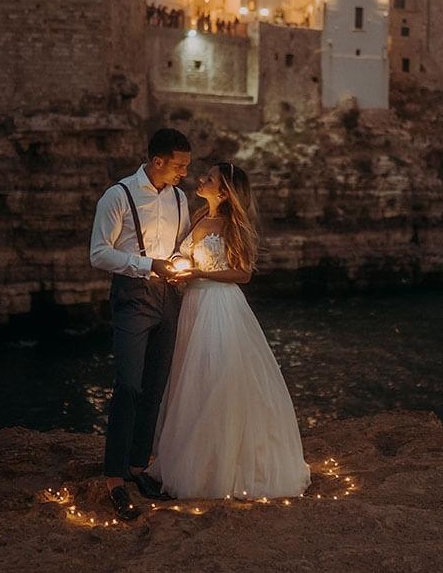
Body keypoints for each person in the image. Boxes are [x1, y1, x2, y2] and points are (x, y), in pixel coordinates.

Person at [149, 162, 311, 499]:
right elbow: (187, 256)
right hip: (192, 306)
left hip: (219, 307)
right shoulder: (196, 217)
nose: (201, 179)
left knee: (216, 379)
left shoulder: (232, 226)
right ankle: (190, 461)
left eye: (209, 178)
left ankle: (219, 469)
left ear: (224, 192)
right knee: (190, 380)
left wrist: (199, 276)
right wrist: (179, 270)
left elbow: (243, 274)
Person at [89, 128, 192, 521]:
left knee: (154, 386)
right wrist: (148, 265)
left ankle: (137, 467)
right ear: (158, 161)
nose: (185, 172)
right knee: (128, 383)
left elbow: (182, 243)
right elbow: (99, 253)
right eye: (180, 165)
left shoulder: (180, 198)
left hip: (169, 298)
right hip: (133, 296)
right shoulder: (118, 196)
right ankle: (114, 478)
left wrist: (183, 264)